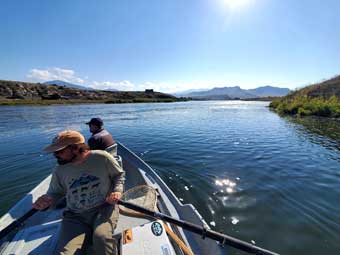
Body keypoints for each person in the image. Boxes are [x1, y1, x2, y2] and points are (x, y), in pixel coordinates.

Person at [33, 130, 125, 255]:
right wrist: (46, 202)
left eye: (60, 151)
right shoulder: (59, 170)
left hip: (104, 208)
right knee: (65, 253)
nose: (55, 155)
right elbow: (55, 193)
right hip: (75, 216)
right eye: (54, 152)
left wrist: (117, 191)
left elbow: (118, 176)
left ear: (76, 148)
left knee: (101, 239)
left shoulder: (102, 157)